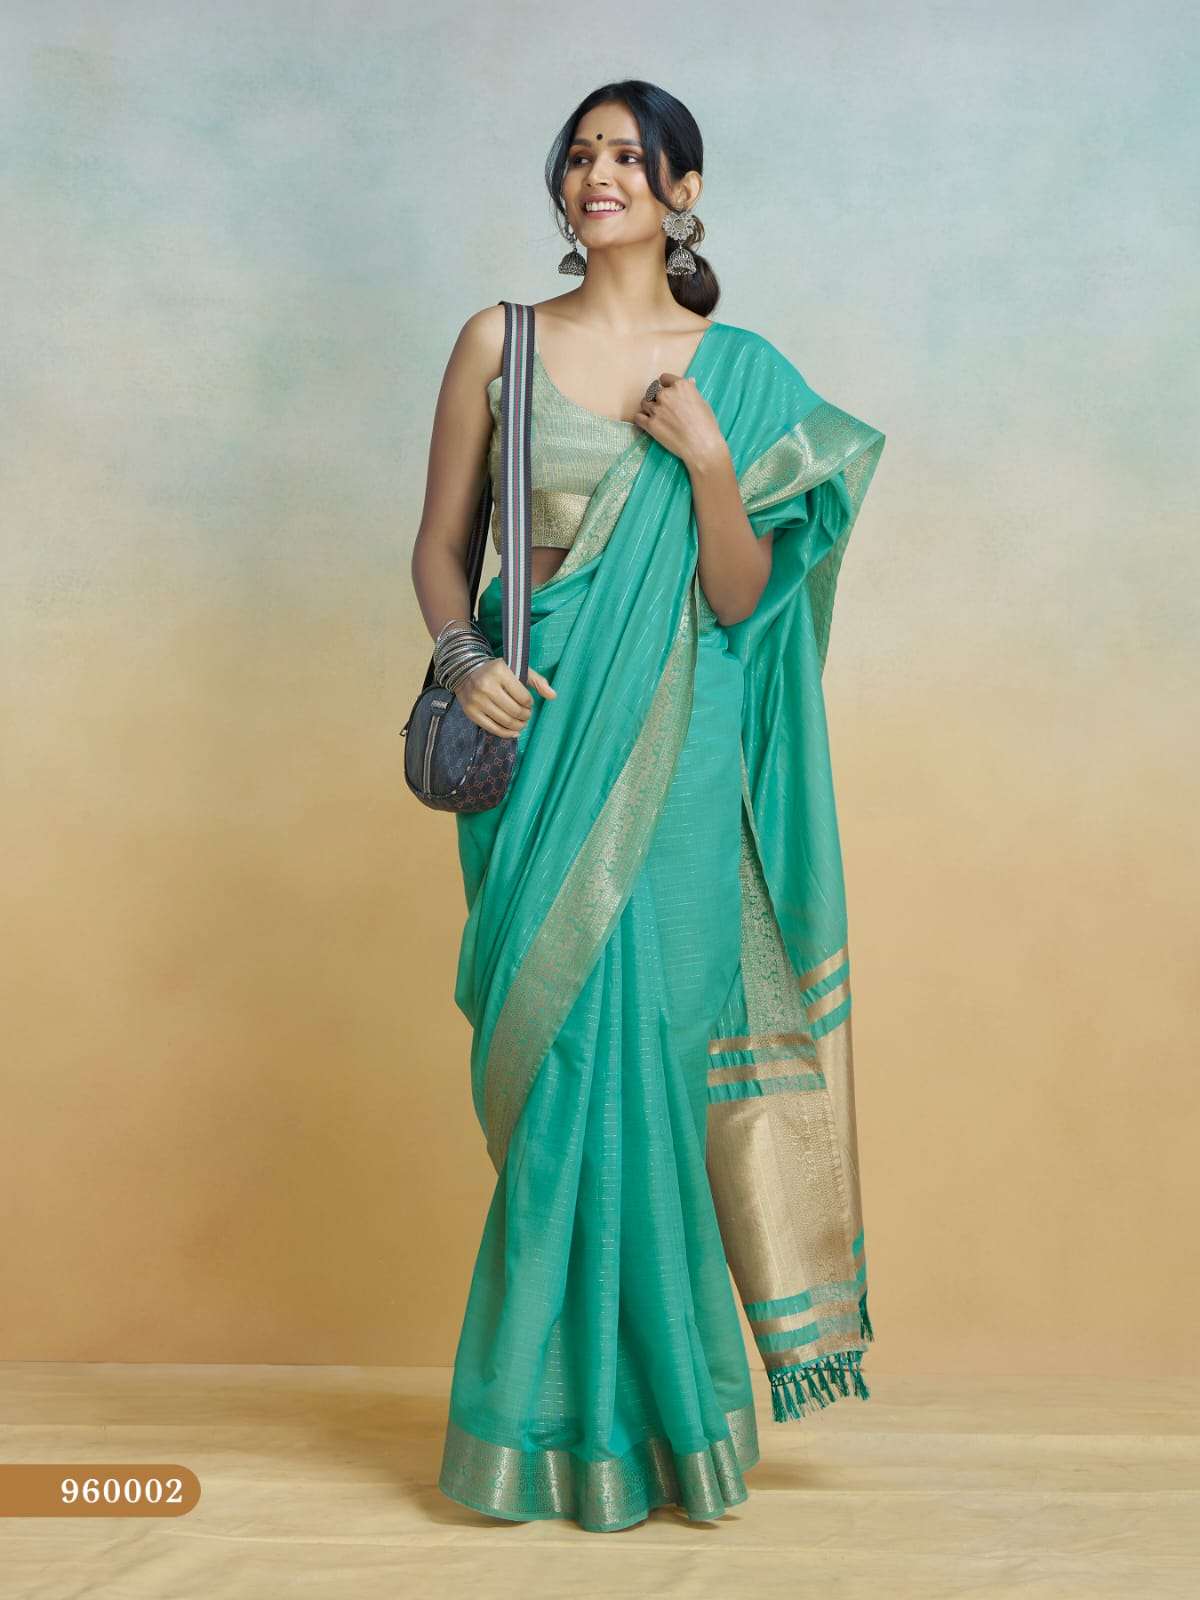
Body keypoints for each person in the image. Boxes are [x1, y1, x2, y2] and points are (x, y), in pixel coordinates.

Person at [409, 78, 886, 1534]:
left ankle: (677, 1429)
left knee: (657, 1077)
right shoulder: (500, 342)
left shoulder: (737, 371)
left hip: (682, 761)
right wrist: (466, 660)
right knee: (562, 1075)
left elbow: (741, 599)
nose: (598, 172)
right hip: (541, 746)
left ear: (684, 192)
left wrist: (712, 462)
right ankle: (539, 1432)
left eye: (629, 154)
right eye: (581, 154)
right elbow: (438, 550)